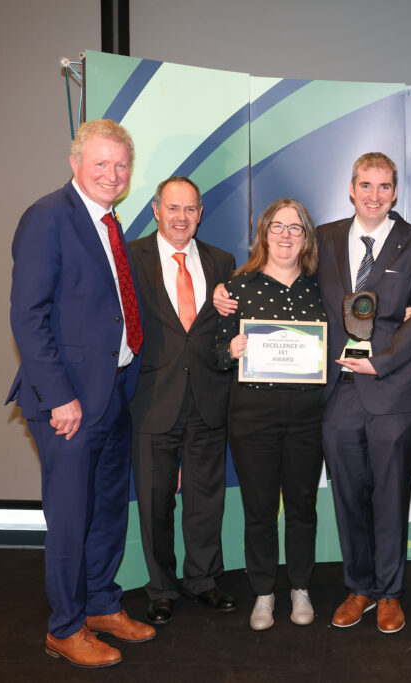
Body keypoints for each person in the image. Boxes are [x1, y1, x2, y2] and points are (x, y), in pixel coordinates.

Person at [214, 152, 411, 633]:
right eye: (365, 185)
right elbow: (282, 285)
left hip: (393, 394)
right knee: (348, 501)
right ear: (351, 188)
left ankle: (391, 594)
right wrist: (223, 295)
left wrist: (379, 360)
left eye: (383, 187)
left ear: (395, 192)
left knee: (391, 498)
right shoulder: (329, 240)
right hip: (335, 396)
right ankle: (359, 588)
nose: (373, 195)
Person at [6, 119, 155, 668]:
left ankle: (99, 604)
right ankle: (64, 628)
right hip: (67, 402)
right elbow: (29, 317)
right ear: (75, 164)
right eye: (101, 164)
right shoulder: (48, 218)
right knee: (70, 516)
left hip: (114, 391)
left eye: (121, 166)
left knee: (108, 509)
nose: (112, 175)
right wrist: (60, 395)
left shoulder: (111, 224)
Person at [128, 176, 237, 626]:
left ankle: (204, 580)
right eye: (173, 208)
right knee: (155, 502)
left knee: (205, 499)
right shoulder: (131, 258)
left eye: (190, 209)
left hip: (209, 400)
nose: (181, 218)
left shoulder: (222, 261)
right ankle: (161, 588)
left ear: (201, 212)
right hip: (152, 400)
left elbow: (227, 330)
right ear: (156, 210)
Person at [215, 198, 327, 631]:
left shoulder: (323, 286)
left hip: (307, 418)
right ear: (263, 233)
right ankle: (263, 592)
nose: (285, 235)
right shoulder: (236, 288)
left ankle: (300, 587)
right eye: (277, 227)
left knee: (302, 507)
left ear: (306, 238)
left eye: (295, 228)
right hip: (252, 418)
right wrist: (231, 349)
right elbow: (214, 351)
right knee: (259, 508)